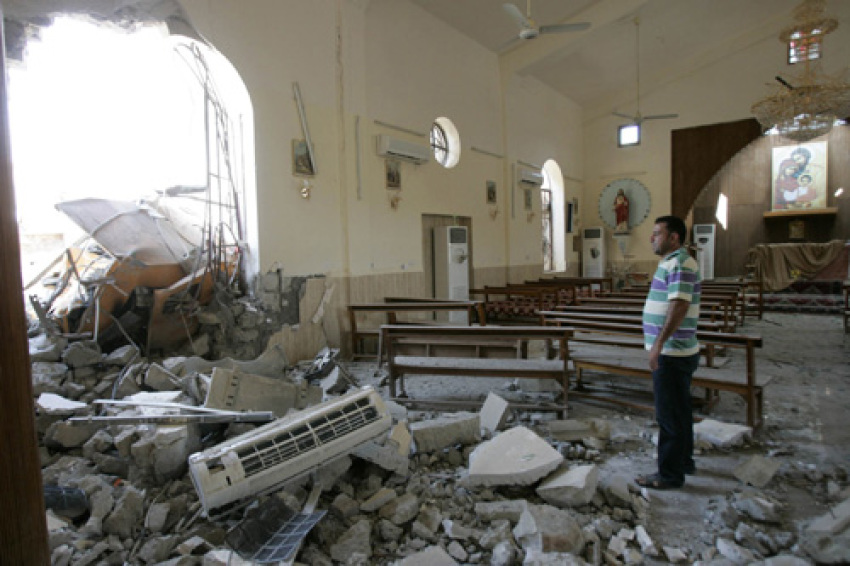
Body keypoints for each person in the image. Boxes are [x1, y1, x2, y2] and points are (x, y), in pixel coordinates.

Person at [636, 215, 701, 490]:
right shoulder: (671, 262)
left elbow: (679, 306)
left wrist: (659, 345)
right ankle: (684, 461)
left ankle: (669, 475)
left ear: (674, 237)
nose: (652, 238)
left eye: (657, 233)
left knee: (669, 416)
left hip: (673, 353)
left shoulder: (681, 263)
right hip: (674, 351)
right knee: (680, 411)